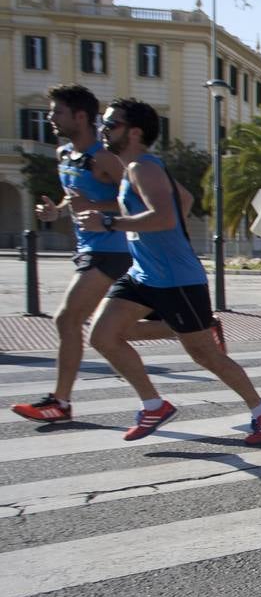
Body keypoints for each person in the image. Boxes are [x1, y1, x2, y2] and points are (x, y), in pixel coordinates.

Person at [75, 98, 261, 443]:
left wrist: (109, 222)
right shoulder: (134, 170)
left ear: (135, 132)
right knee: (103, 335)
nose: (103, 130)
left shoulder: (144, 168)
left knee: (204, 354)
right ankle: (153, 404)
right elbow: (181, 200)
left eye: (110, 125)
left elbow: (167, 215)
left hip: (177, 280)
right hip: (143, 274)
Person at [10, 85, 176, 423]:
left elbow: (136, 199)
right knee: (112, 330)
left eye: (57, 112)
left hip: (112, 250)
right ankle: (192, 327)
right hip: (89, 249)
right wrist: (55, 211)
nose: (51, 118)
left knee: (68, 319)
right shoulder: (64, 155)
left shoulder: (104, 157)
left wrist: (97, 209)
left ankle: (61, 401)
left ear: (80, 116)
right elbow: (74, 199)